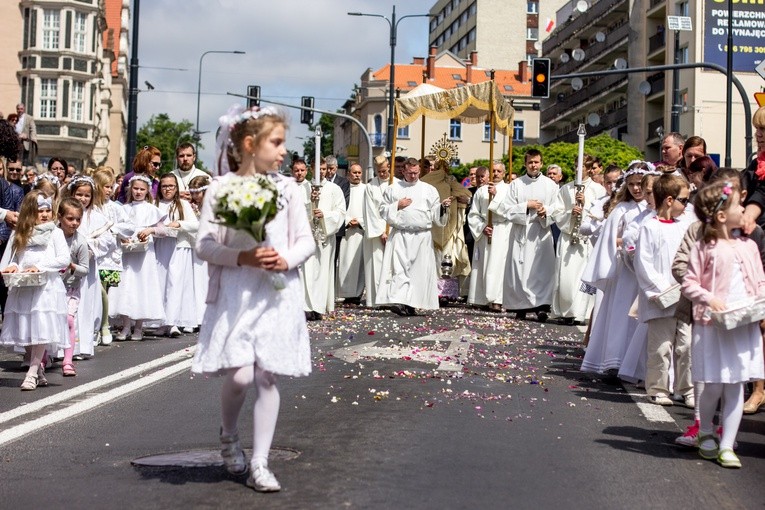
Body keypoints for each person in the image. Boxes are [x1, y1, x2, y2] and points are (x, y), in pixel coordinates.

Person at [194, 104, 314, 492]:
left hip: (277, 293)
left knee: (266, 374)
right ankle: (229, 434)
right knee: (241, 374)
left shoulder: (288, 188)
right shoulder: (221, 188)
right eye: (276, 143)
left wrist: (285, 259)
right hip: (238, 292)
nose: (283, 152)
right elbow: (205, 246)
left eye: (284, 143)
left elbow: (305, 241)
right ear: (250, 144)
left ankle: (260, 462)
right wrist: (242, 255)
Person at [682, 180, 765, 468]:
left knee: (736, 388)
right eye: (737, 205)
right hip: (712, 326)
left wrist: (761, 303)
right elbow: (689, 282)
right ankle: (706, 431)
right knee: (714, 387)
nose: (744, 208)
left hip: (744, 324)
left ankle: (728, 445)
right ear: (721, 216)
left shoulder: (750, 246)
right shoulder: (706, 247)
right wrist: (708, 298)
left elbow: (760, 280)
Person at [581, 161, 650, 373]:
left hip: (645, 269)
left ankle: (640, 364)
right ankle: (614, 359)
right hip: (625, 270)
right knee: (621, 314)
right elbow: (609, 238)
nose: (636, 189)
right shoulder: (622, 208)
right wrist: (623, 243)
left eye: (640, 184)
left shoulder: (652, 208)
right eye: (631, 184)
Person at [633, 174, 693, 406]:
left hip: (685, 294)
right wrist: (663, 288)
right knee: (661, 346)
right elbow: (644, 263)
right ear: (669, 200)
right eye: (683, 200)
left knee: (687, 345)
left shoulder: (685, 226)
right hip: (661, 296)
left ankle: (685, 388)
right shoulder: (648, 227)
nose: (686, 206)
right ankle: (658, 387)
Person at [0, 190, 69, 390]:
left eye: (48, 210)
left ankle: (31, 372)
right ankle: (37, 367)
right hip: (24, 287)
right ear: (30, 212)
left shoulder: (55, 232)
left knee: (41, 327)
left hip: (46, 287)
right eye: (40, 211)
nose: (45, 214)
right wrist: (13, 266)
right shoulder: (19, 232)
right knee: (28, 328)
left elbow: (64, 258)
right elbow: (11, 258)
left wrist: (41, 267)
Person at [376, 157, 452, 316]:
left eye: (416, 173)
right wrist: (397, 205)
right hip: (401, 235)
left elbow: (434, 213)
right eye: (410, 173)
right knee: (400, 270)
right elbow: (382, 210)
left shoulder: (429, 189)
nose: (413, 176)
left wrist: (443, 207)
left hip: (421, 236)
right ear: (403, 171)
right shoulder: (393, 189)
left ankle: (412, 304)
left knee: (418, 272)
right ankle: (402, 302)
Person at [490, 149, 559, 322]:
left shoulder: (551, 185)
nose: (533, 165)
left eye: (536, 162)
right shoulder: (516, 184)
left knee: (542, 270)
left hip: (541, 232)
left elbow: (558, 208)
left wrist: (546, 212)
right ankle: (520, 306)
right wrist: (526, 206)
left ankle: (541, 306)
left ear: (541, 163)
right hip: (521, 232)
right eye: (530, 162)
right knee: (519, 270)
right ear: (525, 164)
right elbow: (507, 209)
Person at [110, 175, 167, 340]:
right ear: (130, 189)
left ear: (147, 191)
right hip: (127, 252)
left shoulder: (151, 209)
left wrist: (150, 230)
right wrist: (122, 237)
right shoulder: (124, 208)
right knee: (126, 284)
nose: (138, 192)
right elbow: (117, 228)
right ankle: (126, 325)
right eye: (135, 188)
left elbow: (164, 230)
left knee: (142, 285)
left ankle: (139, 327)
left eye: (142, 189)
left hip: (144, 254)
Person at [550, 155, 606, 324]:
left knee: (584, 278)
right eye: (576, 166)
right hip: (568, 237)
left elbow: (601, 214)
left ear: (589, 168)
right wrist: (570, 214)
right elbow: (557, 212)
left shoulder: (598, 189)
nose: (577, 169)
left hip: (586, 240)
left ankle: (582, 313)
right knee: (566, 278)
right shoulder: (565, 189)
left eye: (581, 166)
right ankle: (566, 312)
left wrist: (586, 204)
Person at [421, 159, 472, 301]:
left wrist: (457, 197)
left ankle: (438, 292)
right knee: (443, 259)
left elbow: (466, 195)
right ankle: (436, 291)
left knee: (442, 260)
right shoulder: (426, 183)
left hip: (441, 225)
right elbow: (466, 195)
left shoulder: (430, 182)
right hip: (434, 225)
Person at [155, 173, 199, 336]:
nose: (167, 189)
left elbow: (196, 224)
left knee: (176, 283)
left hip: (179, 247)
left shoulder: (183, 205)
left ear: (176, 188)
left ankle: (173, 321)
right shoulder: (156, 204)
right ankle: (162, 321)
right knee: (161, 282)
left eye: (171, 186)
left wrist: (179, 223)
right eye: (164, 186)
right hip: (161, 246)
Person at [302, 158, 346, 320]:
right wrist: (309, 203)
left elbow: (341, 212)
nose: (321, 171)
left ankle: (319, 306)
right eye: (318, 168)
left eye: (323, 168)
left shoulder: (334, 189)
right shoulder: (304, 187)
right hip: (307, 236)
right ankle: (306, 306)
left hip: (326, 237)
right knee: (306, 271)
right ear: (311, 168)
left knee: (322, 271)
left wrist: (325, 216)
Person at [467, 165, 511, 311]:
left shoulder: (510, 189)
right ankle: (481, 298)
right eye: (493, 171)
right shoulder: (480, 191)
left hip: (502, 229)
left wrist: (496, 195)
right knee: (484, 264)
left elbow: (510, 211)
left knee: (499, 266)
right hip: (486, 230)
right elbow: (473, 214)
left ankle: (498, 299)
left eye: (499, 171)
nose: (496, 173)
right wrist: (482, 227)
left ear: (504, 173)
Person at [58, 198, 88, 377]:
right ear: (60, 217)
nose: (75, 223)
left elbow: (85, 269)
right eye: (70, 219)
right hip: (53, 287)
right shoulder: (53, 236)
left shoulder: (80, 242)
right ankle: (44, 357)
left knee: (69, 321)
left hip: (70, 288)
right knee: (51, 321)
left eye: (78, 219)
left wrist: (72, 266)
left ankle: (68, 360)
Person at [362, 155, 393, 307]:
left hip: (394, 232)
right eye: (379, 171)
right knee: (378, 265)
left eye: (385, 171)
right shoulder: (370, 187)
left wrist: (391, 230)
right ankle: (377, 299)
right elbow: (370, 211)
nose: (382, 174)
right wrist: (381, 232)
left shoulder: (397, 184)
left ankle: (392, 298)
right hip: (377, 234)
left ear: (389, 167)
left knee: (392, 267)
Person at [337, 163, 366, 304]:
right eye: (354, 172)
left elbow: (371, 211)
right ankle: (344, 292)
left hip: (360, 231)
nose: (357, 175)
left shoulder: (367, 189)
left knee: (358, 263)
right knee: (345, 262)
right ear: (349, 173)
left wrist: (360, 221)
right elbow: (338, 208)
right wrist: (347, 221)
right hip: (346, 231)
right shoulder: (342, 188)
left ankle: (357, 294)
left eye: (359, 172)